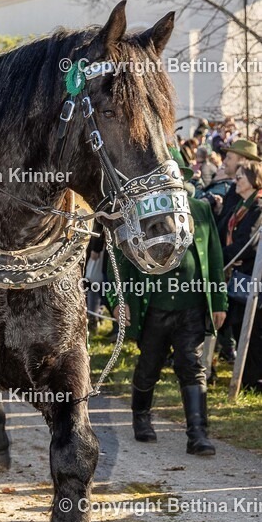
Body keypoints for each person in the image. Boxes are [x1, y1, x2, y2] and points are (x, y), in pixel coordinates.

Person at [111, 151, 227, 456]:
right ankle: (141, 418)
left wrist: (219, 301)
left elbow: (214, 258)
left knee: (192, 366)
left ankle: (198, 434)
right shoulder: (140, 211)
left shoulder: (200, 210)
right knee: (149, 365)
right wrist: (117, 300)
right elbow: (121, 262)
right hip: (153, 306)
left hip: (191, 304)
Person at [221, 163, 262, 390]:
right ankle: (247, 374)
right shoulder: (240, 205)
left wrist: (224, 256)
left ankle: (252, 380)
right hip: (237, 271)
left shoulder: (257, 207)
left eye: (240, 177)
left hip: (251, 274)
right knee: (237, 322)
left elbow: (249, 243)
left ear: (252, 179)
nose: (236, 181)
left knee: (252, 327)